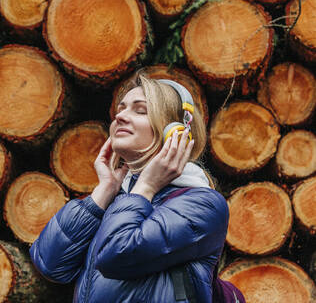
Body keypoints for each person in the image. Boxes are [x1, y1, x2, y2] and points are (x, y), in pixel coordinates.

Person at [30, 70, 229, 303]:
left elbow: (118, 255)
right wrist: (103, 192)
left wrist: (146, 186)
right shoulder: (118, 199)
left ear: (176, 131)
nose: (121, 117)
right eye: (121, 109)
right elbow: (51, 264)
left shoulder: (203, 204)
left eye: (141, 110)